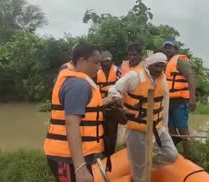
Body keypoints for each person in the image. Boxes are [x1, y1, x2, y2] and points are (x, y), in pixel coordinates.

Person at [43, 42, 115, 182]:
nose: (99, 67)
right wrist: (80, 168)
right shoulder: (78, 85)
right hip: (67, 159)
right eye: (96, 63)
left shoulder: (79, 82)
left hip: (72, 157)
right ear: (82, 60)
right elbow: (72, 124)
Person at [109, 52, 178, 182]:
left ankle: (148, 165)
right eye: (156, 66)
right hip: (137, 129)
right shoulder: (134, 76)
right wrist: (117, 98)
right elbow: (114, 89)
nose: (159, 70)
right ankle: (139, 170)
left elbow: (166, 104)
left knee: (171, 154)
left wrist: (165, 126)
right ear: (150, 65)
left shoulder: (162, 79)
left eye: (162, 66)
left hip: (157, 128)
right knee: (139, 174)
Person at [162, 39, 196, 160]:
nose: (167, 50)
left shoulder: (180, 61)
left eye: (169, 47)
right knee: (170, 129)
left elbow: (191, 77)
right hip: (168, 102)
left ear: (176, 49)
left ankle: (190, 156)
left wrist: (192, 98)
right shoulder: (164, 62)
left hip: (180, 102)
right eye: (165, 48)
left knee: (182, 129)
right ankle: (174, 155)